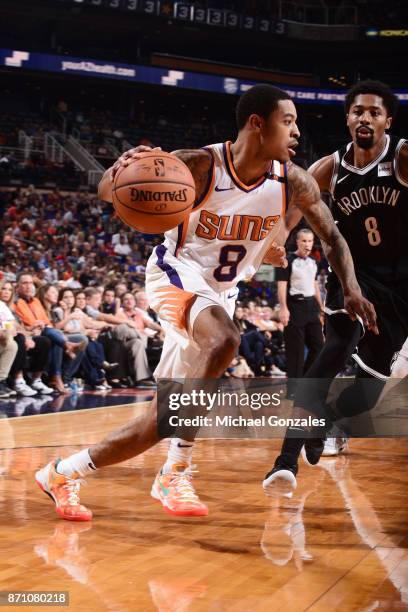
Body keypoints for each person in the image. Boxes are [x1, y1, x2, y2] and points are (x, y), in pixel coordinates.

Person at [35, 84, 375, 522]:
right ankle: (177, 469)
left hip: (221, 293)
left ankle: (62, 473)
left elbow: (333, 237)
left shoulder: (294, 181)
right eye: (288, 122)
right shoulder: (198, 164)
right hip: (176, 273)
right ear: (257, 123)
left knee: (161, 420)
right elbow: (109, 190)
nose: (296, 133)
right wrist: (120, 169)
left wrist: (350, 288)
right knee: (225, 342)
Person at [264, 80, 408, 491]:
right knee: (332, 350)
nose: (365, 117)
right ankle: (284, 459)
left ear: (387, 122)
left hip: (401, 289)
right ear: (348, 118)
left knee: (366, 400)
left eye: (374, 112)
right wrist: (278, 240)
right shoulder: (329, 167)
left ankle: (326, 421)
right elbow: (294, 206)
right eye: (358, 111)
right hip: (354, 277)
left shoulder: (402, 156)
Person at [276, 228, 324, 398]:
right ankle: (293, 390)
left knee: (319, 346)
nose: (307, 244)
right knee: (295, 350)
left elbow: (315, 285)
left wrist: (321, 307)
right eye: (304, 241)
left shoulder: (313, 261)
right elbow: (281, 285)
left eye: (310, 241)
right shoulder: (287, 260)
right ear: (297, 242)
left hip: (312, 307)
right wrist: (283, 308)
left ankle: (305, 380)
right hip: (294, 306)